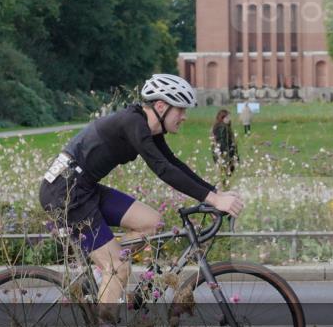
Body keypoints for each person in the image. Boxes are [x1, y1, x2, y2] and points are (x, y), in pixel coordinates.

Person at [38, 74, 243, 308]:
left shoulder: (146, 127)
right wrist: (215, 199)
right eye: (180, 110)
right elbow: (163, 170)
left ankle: (103, 271)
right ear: (160, 106)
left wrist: (216, 193)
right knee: (118, 267)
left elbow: (173, 163)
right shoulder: (132, 123)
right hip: (65, 194)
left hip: (84, 189)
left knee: (152, 222)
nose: (184, 117)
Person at [211, 108, 239, 182]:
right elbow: (222, 143)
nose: (229, 119)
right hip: (225, 155)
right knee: (226, 176)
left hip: (223, 155)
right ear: (222, 118)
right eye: (227, 117)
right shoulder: (222, 127)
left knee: (224, 175)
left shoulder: (221, 127)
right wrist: (227, 157)